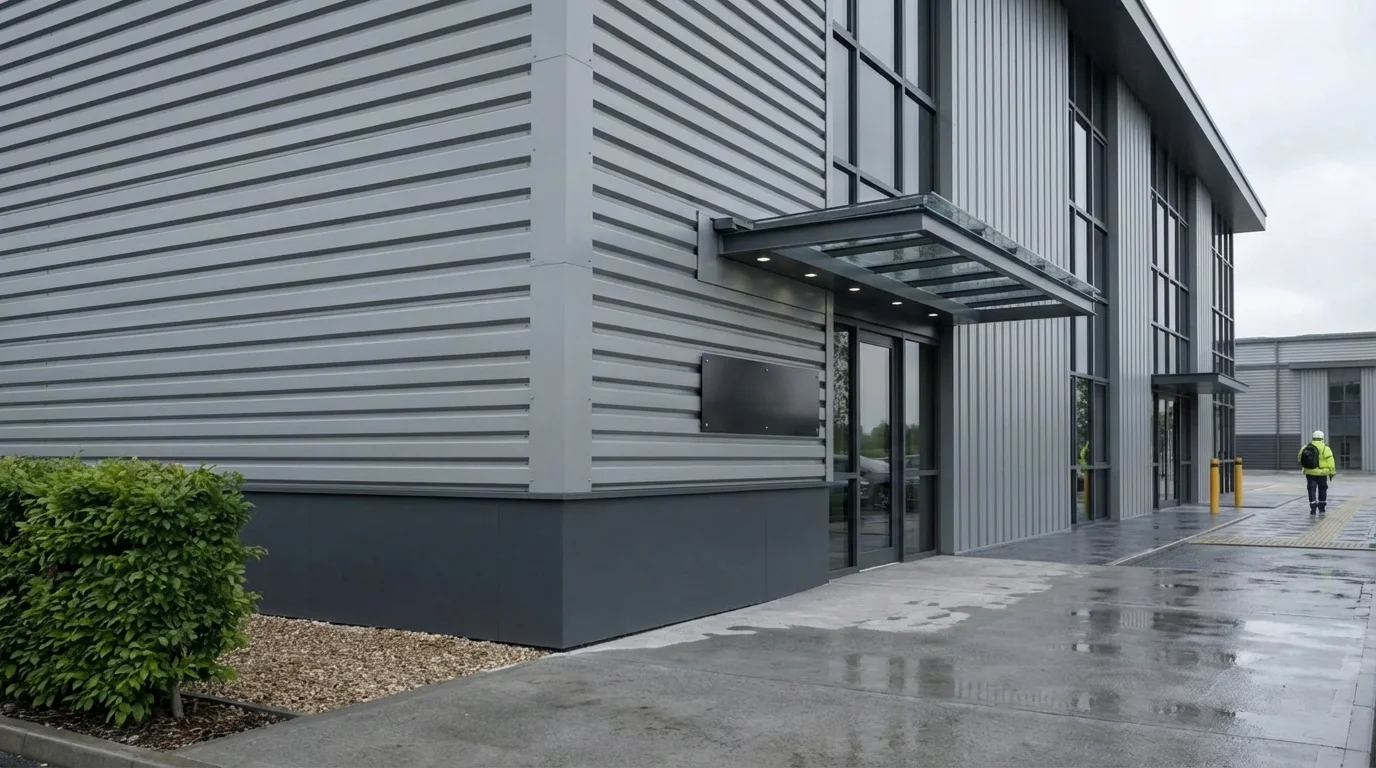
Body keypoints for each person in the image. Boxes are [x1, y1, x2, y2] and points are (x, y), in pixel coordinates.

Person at [1297, 430, 1337, 515]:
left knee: (1311, 489)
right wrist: (1332, 472)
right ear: (1322, 437)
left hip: (1310, 472)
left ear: (1313, 437)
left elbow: (1299, 458)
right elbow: (1330, 460)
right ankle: (1321, 507)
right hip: (1322, 473)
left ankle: (1313, 507)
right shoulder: (1325, 448)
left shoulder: (1306, 447)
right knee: (1322, 489)